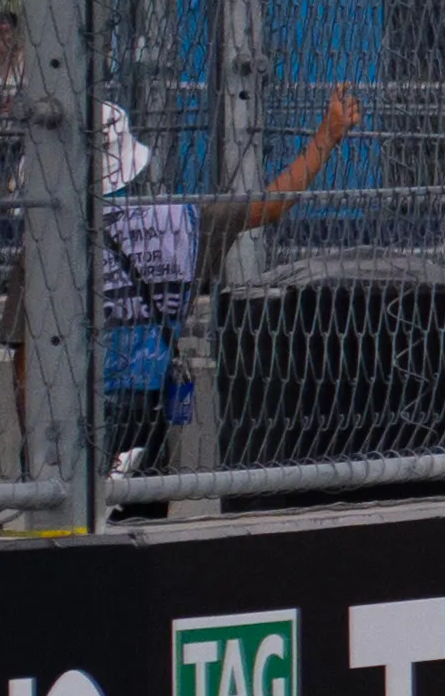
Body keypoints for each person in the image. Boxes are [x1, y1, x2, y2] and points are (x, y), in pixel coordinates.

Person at [85, 87, 362, 479]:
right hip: (146, 403)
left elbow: (26, 359)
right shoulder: (179, 223)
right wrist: (326, 136)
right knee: (138, 519)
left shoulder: (49, 239)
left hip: (72, 395)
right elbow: (271, 204)